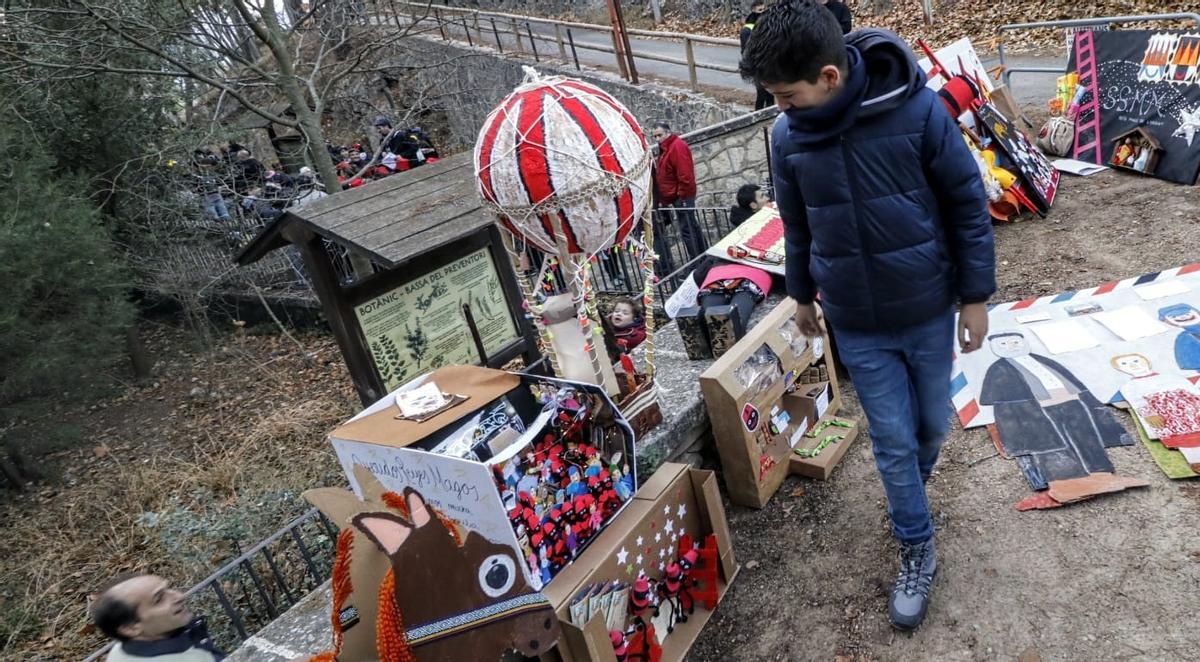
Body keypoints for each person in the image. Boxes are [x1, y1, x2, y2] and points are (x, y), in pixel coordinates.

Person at [740, 1, 995, 630]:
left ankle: (912, 484)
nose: (780, 108)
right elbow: (795, 225)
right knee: (890, 440)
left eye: (787, 94)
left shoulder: (916, 110)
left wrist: (975, 296)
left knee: (929, 428)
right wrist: (800, 295)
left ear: (829, 77)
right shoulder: (785, 139)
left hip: (927, 306)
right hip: (855, 320)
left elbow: (967, 202)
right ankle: (916, 545)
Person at [91, 573, 225, 661]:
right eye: (159, 599)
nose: (179, 596)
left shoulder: (125, 649)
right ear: (130, 628)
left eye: (168, 589)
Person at [652, 122, 705, 263]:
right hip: (678, 196)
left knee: (688, 230)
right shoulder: (667, 147)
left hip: (682, 196)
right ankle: (701, 256)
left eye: (660, 135)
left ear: (668, 132)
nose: (657, 139)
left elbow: (685, 175)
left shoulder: (676, 146)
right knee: (691, 226)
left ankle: (697, 261)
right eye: (655, 136)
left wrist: (681, 196)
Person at [739, 1, 773, 110]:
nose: (762, 12)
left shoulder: (766, 24)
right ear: (753, 10)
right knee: (762, 94)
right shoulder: (747, 29)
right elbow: (746, 50)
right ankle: (759, 119)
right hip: (756, 66)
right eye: (759, 10)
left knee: (770, 95)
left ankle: (768, 123)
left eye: (763, 9)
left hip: (768, 64)